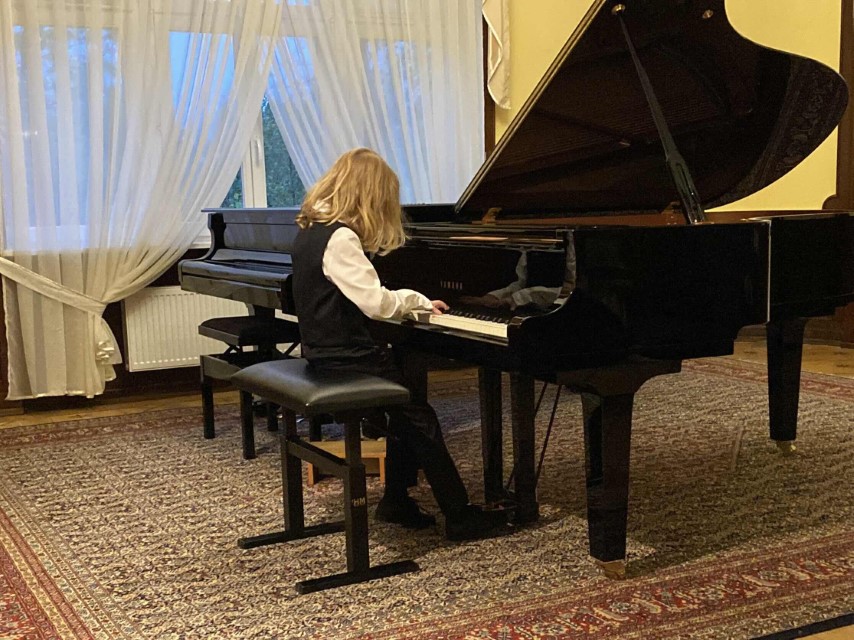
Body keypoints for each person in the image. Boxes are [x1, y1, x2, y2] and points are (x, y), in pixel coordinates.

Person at [291, 148, 509, 541]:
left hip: (323, 351)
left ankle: (395, 499)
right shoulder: (341, 237)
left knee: (405, 411)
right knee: (419, 417)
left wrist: (409, 302)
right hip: (349, 358)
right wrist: (415, 300)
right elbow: (376, 303)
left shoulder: (312, 229)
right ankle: (459, 516)